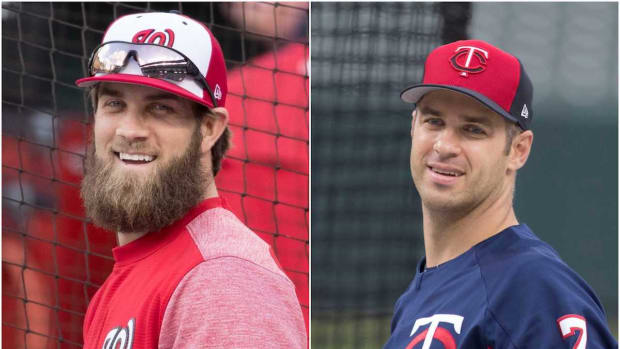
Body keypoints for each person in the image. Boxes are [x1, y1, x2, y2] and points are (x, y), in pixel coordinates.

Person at [74, 11, 306, 348]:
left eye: (161, 109)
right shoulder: (135, 273)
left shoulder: (222, 283)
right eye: (114, 103)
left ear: (210, 129)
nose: (129, 130)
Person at [383, 40, 617, 348]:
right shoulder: (416, 297)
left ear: (518, 150)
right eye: (434, 121)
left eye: (473, 130)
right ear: (414, 125)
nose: (444, 146)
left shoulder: (534, 289)